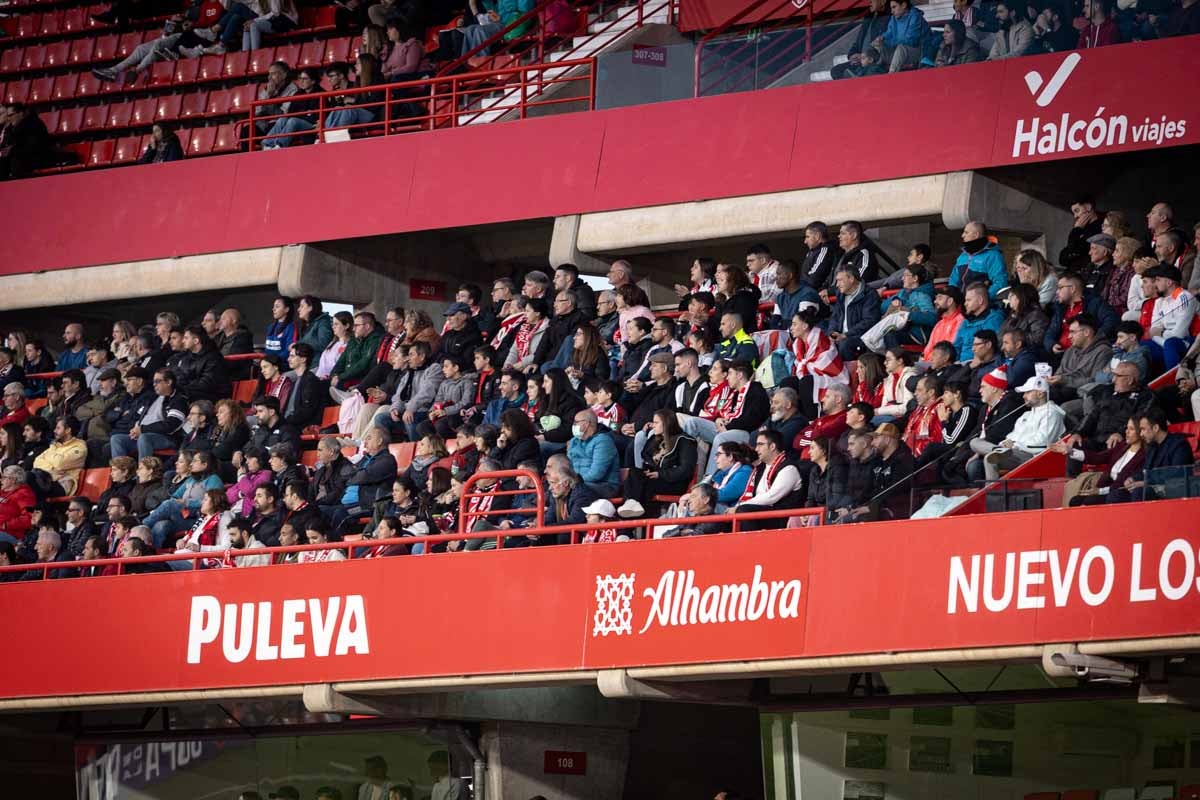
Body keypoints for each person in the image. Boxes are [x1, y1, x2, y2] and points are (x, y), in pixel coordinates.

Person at [981, 376, 1066, 479]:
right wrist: (1005, 443)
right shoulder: (1026, 415)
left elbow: (1042, 444)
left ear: (1040, 393)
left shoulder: (1052, 413)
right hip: (1016, 452)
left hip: (1035, 457)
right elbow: (1012, 435)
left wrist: (1016, 444)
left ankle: (997, 451)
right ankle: (997, 450)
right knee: (976, 444)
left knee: (990, 458)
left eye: (1027, 392)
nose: (1023, 396)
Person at [624, 409, 698, 512]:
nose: (653, 425)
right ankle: (631, 505)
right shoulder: (655, 439)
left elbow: (686, 469)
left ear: (666, 423)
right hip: (656, 479)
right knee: (634, 472)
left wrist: (660, 474)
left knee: (643, 485)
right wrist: (649, 470)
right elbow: (646, 457)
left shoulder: (684, 441)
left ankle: (633, 509)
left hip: (673, 483)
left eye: (656, 422)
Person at [733, 430, 805, 530]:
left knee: (743, 511)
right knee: (722, 520)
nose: (756, 449)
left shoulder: (789, 468)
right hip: (763, 514)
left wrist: (740, 506)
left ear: (772, 447)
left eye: (760, 445)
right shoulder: (760, 468)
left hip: (781, 517)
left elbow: (771, 497)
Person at [1044, 272, 1119, 357]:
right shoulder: (1060, 308)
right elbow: (1050, 332)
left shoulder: (1094, 303)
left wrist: (1094, 340)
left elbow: (1112, 321)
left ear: (1072, 289)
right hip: (1061, 355)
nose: (1057, 292)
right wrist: (1051, 345)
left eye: (1060, 288)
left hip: (1086, 355)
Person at [1127, 408, 1194, 501]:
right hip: (1153, 489)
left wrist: (1146, 483)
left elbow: (1177, 475)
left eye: (1143, 429)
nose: (1141, 434)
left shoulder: (1179, 445)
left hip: (1173, 491)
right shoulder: (1152, 447)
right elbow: (1145, 471)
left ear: (1155, 428)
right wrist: (1133, 479)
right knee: (1117, 494)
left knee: (1140, 492)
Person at [1049, 314, 1116, 404]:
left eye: (1073, 332)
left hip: (1081, 394)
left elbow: (1096, 381)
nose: (1069, 336)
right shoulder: (1070, 350)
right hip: (1061, 389)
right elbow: (1059, 372)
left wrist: (1065, 380)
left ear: (1086, 332)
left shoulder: (1104, 352)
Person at [1146, 264, 1197, 368]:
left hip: (1191, 340)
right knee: (1142, 346)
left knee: (1170, 344)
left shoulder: (1185, 297)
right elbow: (1153, 331)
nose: (1155, 284)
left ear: (1169, 282)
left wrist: (1161, 333)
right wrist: (1162, 339)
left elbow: (1180, 334)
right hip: (1167, 341)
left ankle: (1175, 380)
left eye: (1158, 280)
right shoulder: (1159, 301)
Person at [826, 265, 882, 360]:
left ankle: (849, 374)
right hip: (842, 336)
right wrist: (831, 333)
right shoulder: (840, 294)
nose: (837, 285)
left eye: (840, 280)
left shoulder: (869, 295)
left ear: (851, 279)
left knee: (845, 344)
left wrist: (846, 335)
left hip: (862, 337)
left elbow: (869, 321)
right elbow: (835, 317)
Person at [262, 67, 323, 148]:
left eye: (305, 79)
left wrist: (302, 116)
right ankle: (267, 144)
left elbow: (315, 117)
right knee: (282, 119)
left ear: (313, 81)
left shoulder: (321, 93)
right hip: (298, 120)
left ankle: (279, 145)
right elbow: (291, 112)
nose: (301, 81)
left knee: (293, 121)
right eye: (300, 78)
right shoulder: (298, 93)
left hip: (311, 125)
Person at [830, 0, 890, 79]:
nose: (870, 2)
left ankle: (856, 81)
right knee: (836, 70)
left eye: (872, 0)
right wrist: (852, 55)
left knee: (870, 71)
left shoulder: (889, 18)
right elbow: (858, 41)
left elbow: (884, 45)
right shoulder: (868, 18)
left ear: (883, 2)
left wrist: (866, 56)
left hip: (872, 60)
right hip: (861, 60)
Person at [951, 222, 1009, 299]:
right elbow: (953, 279)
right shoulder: (963, 255)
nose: (962, 235)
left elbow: (1000, 283)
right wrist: (953, 297)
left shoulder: (993, 256)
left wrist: (981, 299)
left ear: (976, 235)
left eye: (966, 232)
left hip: (985, 307)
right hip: (962, 305)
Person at [33, 417, 88, 496]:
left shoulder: (79, 447)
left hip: (62, 484)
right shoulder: (55, 446)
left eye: (58, 428)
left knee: (29, 480)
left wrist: (48, 458)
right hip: (45, 479)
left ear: (68, 430)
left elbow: (59, 463)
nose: (54, 431)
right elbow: (36, 461)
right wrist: (51, 469)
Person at [0, 103, 56, 180]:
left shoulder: (33, 124)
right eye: (8, 116)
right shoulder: (11, 128)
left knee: (14, 162)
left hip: (37, 158)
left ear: (21, 113)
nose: (9, 119)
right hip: (20, 159)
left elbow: (32, 147)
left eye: (11, 115)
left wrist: (11, 150)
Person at [871, 0, 929, 72]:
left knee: (901, 49)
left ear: (904, 5)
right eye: (891, 8)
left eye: (894, 7)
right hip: (898, 52)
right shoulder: (894, 18)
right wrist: (881, 38)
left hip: (918, 52)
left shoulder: (915, 16)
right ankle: (874, 72)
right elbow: (889, 33)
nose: (892, 11)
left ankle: (891, 75)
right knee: (877, 46)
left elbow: (911, 40)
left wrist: (889, 42)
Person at [799, 221, 844, 293]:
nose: (805, 241)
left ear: (817, 236)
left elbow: (814, 280)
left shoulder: (825, 250)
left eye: (807, 237)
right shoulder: (812, 252)